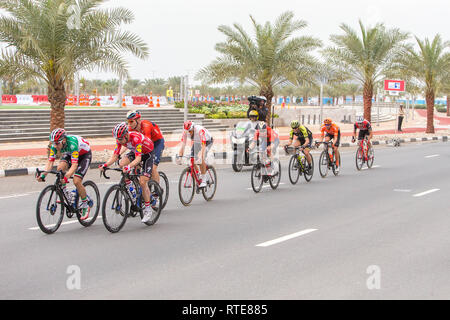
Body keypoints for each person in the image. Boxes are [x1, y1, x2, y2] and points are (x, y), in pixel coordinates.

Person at [99, 123, 155, 224]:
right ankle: (131, 188)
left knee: (143, 182)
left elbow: (138, 158)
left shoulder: (136, 139)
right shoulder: (120, 139)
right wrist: (105, 165)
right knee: (121, 164)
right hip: (136, 152)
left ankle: (148, 208)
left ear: (126, 135)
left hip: (147, 154)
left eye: (120, 139)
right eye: (117, 139)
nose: (118, 141)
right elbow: (115, 156)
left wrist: (129, 167)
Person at [37, 129, 92, 220]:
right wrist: (43, 175)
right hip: (70, 153)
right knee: (60, 169)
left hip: (84, 155)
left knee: (76, 181)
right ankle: (67, 194)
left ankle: (85, 205)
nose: (55, 146)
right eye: (53, 143)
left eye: (57, 144)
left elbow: (74, 165)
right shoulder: (55, 145)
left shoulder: (72, 144)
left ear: (64, 140)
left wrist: (66, 177)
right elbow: (50, 163)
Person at [126, 110, 165, 186]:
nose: (129, 124)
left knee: (153, 168)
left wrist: (140, 159)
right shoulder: (131, 128)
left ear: (138, 120)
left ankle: (157, 191)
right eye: (128, 121)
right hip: (145, 144)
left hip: (156, 142)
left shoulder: (146, 126)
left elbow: (147, 146)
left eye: (131, 121)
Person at [176, 121, 214, 188]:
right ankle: (198, 173)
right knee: (192, 158)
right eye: (188, 132)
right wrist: (180, 157)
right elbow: (182, 146)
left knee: (200, 159)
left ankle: (204, 180)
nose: (189, 133)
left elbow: (203, 146)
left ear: (193, 128)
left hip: (207, 142)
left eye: (190, 131)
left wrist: (201, 157)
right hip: (197, 142)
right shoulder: (185, 132)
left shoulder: (200, 130)